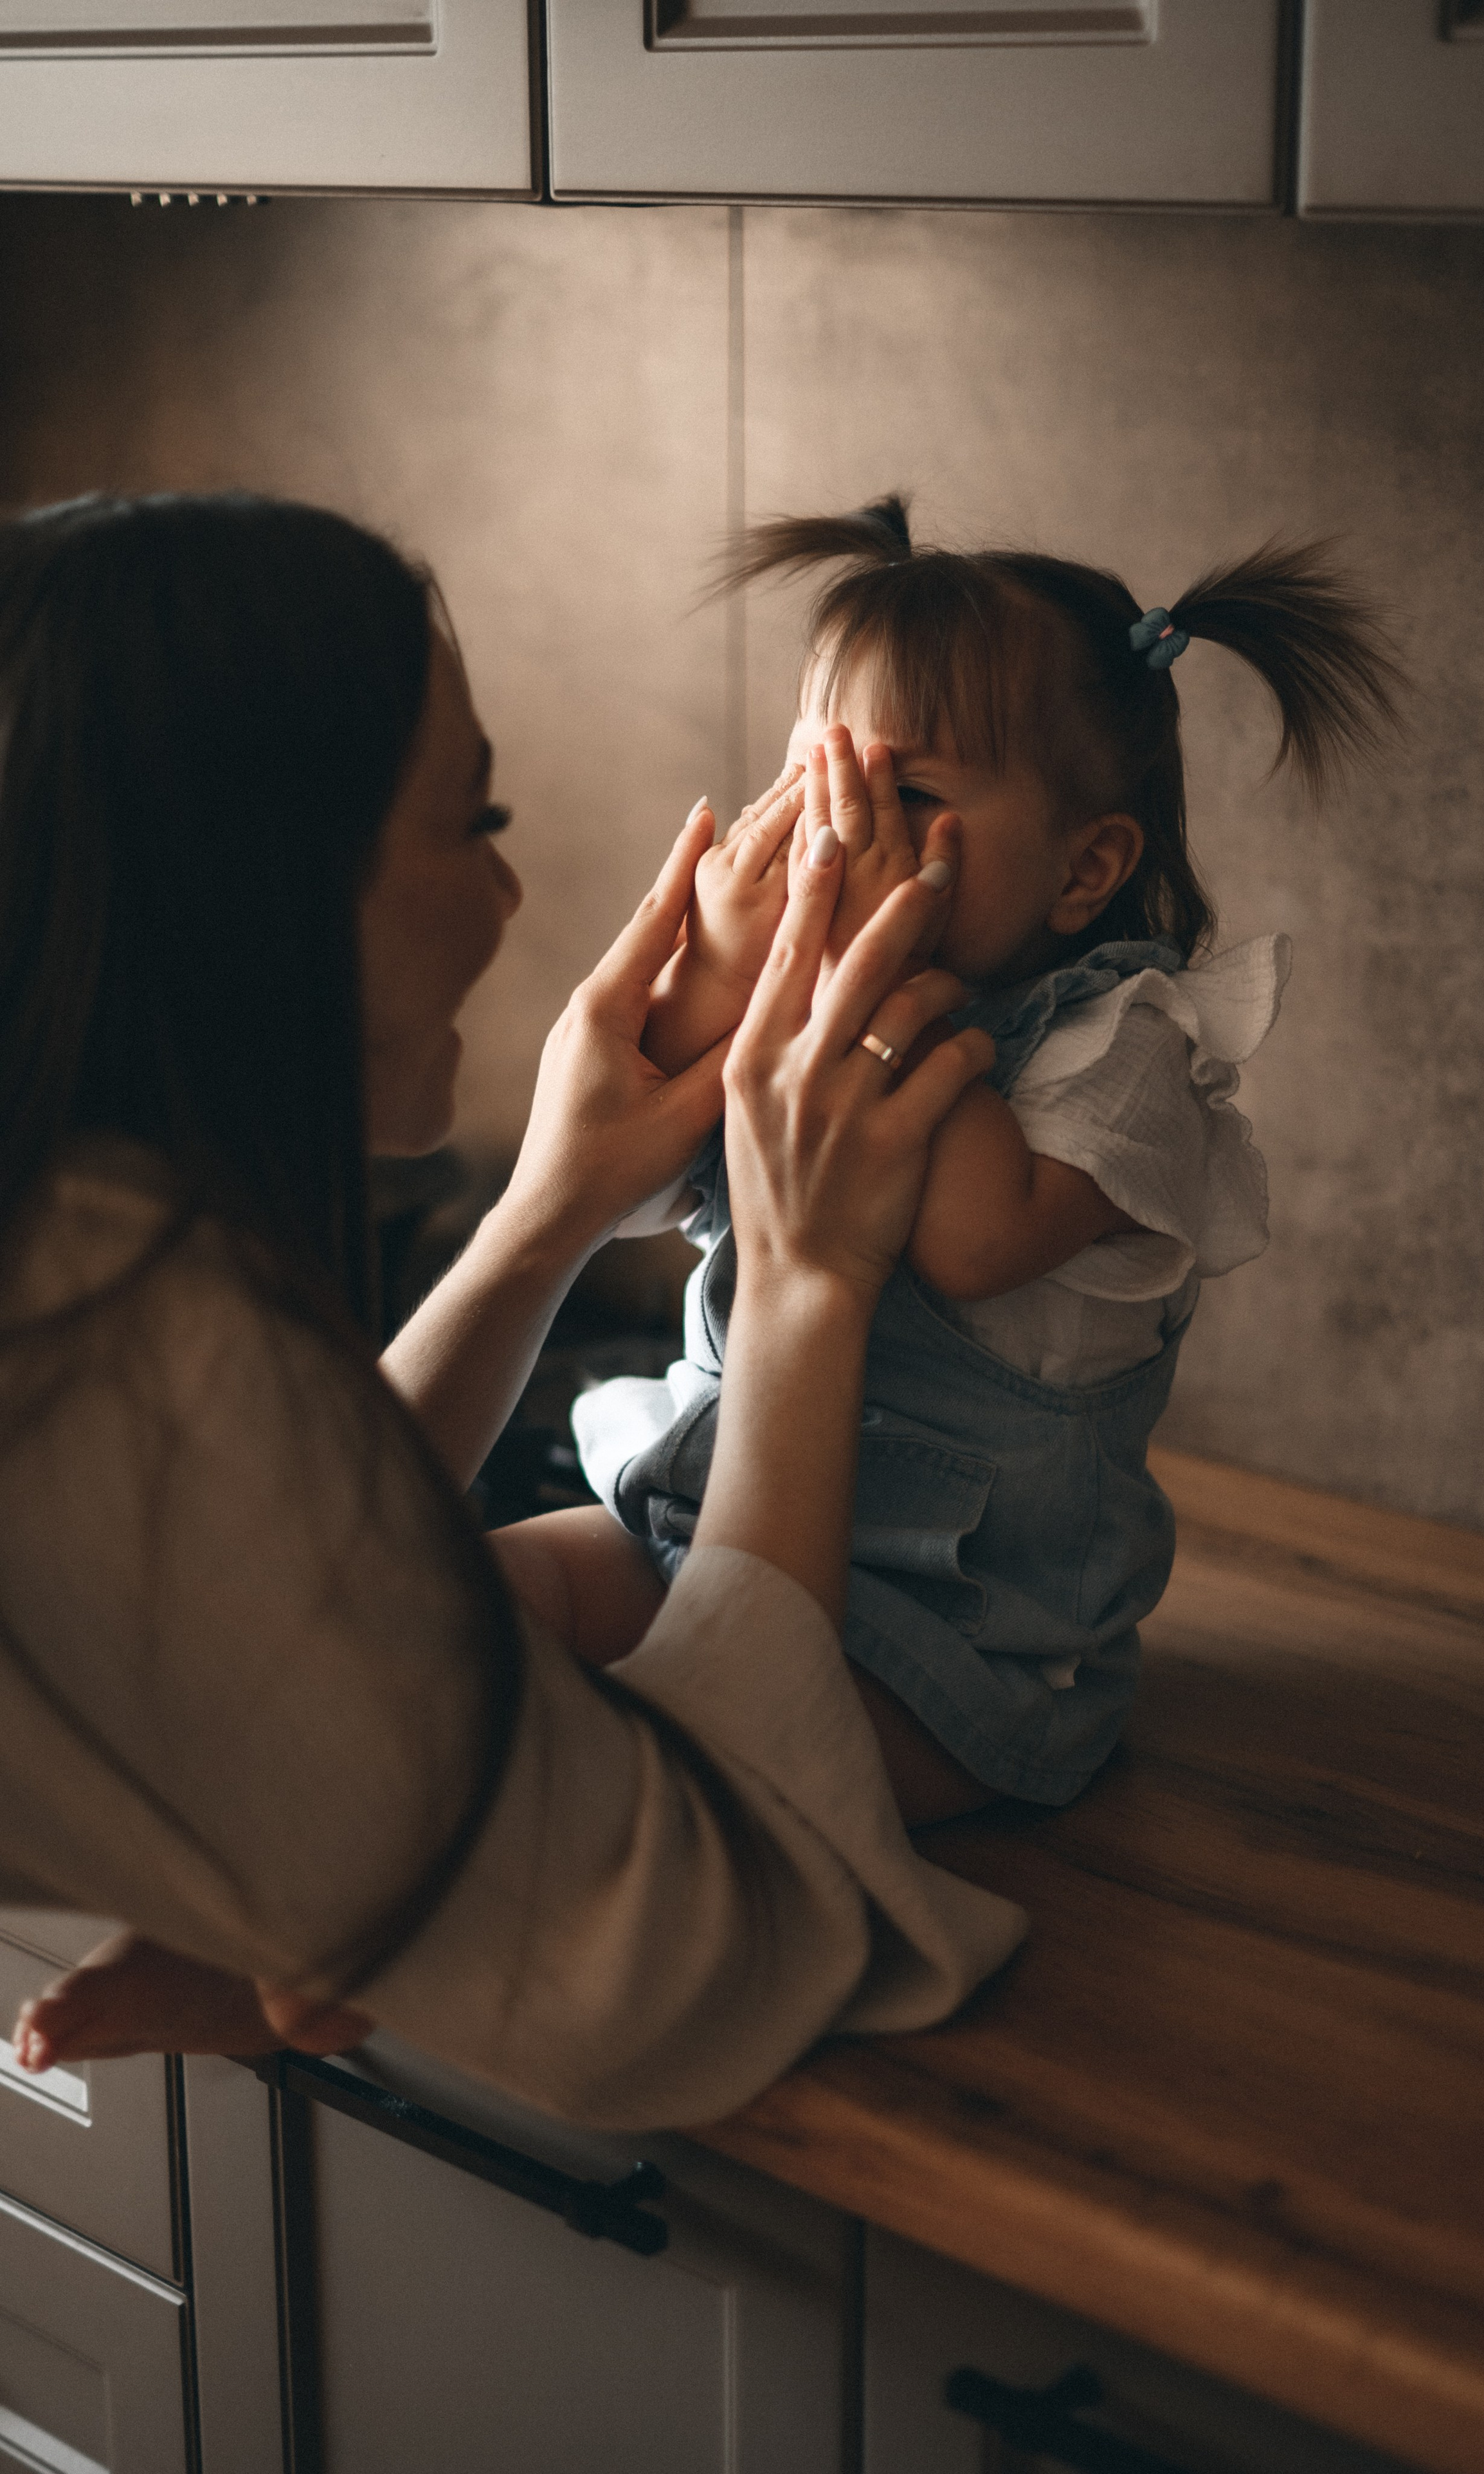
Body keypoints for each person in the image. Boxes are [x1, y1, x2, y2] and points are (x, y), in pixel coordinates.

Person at [3, 489, 1026, 2127]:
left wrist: (538, 1224)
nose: (508, 899)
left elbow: (297, 1580)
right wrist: (804, 1279)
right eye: (472, 823)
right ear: (252, 885)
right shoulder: (110, 1356)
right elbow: (679, 1955)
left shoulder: (67, 1248)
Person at [505, 496, 1403, 1811]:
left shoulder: (1127, 1050)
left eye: (904, 797)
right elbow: (631, 1190)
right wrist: (713, 980)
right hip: (700, 1531)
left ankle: (417, 1924)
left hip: (949, 1644)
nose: (836, 841)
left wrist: (853, 980)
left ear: (1082, 869)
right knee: (456, 1606)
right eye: (822, 786)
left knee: (667, 1779)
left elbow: (968, 1242)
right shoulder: (800, 1003)